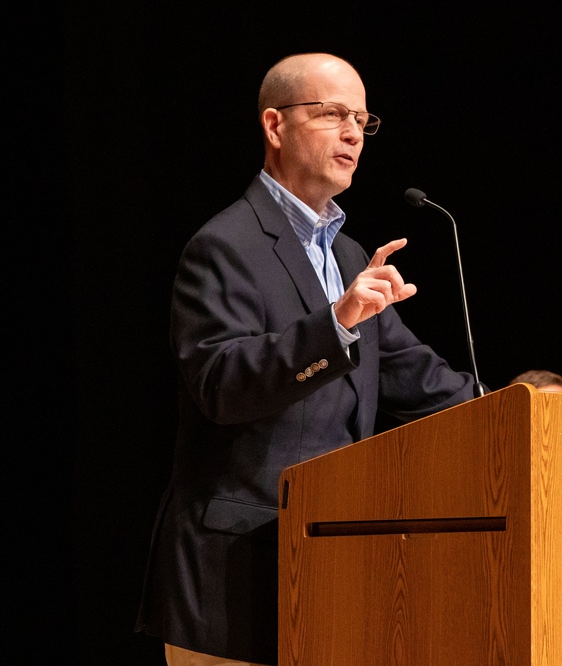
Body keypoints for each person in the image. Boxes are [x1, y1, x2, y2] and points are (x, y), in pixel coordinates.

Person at [134, 53, 479, 666]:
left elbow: (422, 382)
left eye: (363, 121)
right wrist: (336, 324)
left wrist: (524, 410)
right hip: (232, 581)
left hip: (329, 573)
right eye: (333, 114)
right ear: (275, 126)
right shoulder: (223, 246)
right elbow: (220, 385)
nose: (353, 133)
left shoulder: (348, 257)